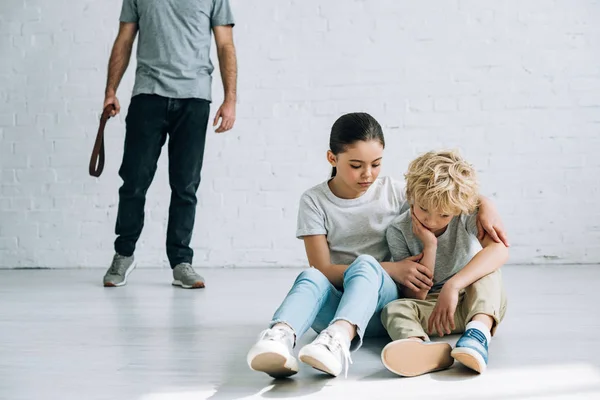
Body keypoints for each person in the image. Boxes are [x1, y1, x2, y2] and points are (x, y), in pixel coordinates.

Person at [246, 113, 508, 379]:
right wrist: (389, 268)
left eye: (376, 164)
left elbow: (442, 193)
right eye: (356, 165)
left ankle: (339, 338)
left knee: (366, 266)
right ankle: (279, 336)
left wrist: (485, 204)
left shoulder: (394, 192)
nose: (367, 174)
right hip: (336, 305)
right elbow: (322, 268)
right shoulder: (314, 200)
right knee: (310, 275)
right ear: (332, 158)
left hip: (382, 306)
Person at [101, 0, 237, 288]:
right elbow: (124, 38)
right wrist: (110, 91)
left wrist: (230, 100)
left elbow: (225, 44)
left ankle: (181, 262)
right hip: (148, 94)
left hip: (195, 97)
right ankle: (124, 254)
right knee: (134, 181)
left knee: (185, 185)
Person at [380, 150, 508, 377]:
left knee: (488, 271)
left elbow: (499, 250)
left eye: (443, 215)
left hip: (477, 303)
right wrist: (430, 247)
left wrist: (454, 285)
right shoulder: (398, 230)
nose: (431, 221)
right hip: (438, 313)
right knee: (393, 309)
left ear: (458, 210)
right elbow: (414, 295)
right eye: (423, 209)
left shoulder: (465, 214)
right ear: (411, 196)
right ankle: (418, 347)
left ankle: (476, 336)